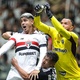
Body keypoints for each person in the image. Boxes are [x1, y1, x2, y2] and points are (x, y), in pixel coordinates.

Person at [33, 4, 80, 80]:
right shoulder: (54, 32)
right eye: (61, 23)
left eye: (65, 23)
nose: (62, 25)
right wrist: (37, 13)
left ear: (72, 28)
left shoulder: (73, 36)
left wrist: (50, 15)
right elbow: (37, 24)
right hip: (59, 77)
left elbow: (61, 30)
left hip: (74, 77)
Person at [0, 12, 47, 80]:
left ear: (32, 21)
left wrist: (37, 68)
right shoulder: (17, 36)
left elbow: (43, 53)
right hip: (14, 73)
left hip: (30, 73)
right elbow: (5, 47)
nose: (22, 23)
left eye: (25, 20)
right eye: (21, 21)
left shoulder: (40, 37)